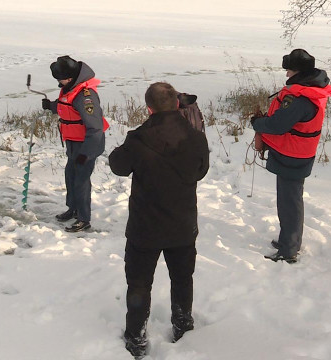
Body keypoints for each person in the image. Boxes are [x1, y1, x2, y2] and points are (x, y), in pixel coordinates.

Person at [109, 82, 209, 358]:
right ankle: (182, 323)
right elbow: (201, 171)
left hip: (146, 227)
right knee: (182, 278)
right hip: (182, 223)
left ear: (149, 108)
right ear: (177, 104)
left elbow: (118, 165)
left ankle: (136, 337)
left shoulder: (138, 139)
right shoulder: (196, 136)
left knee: (139, 283)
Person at [251, 49, 331, 263]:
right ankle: (290, 241)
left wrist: (256, 123)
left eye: (288, 70)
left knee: (289, 202)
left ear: (297, 71)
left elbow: (277, 125)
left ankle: (288, 250)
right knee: (291, 199)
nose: (286, 75)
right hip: (299, 152)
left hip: (292, 155)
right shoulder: (312, 89)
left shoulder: (301, 98)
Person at [42, 55, 109, 232]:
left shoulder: (86, 96)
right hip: (73, 142)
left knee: (81, 180)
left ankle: (83, 218)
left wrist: (85, 154)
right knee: (70, 175)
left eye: (60, 79)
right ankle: (73, 209)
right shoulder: (71, 89)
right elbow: (67, 107)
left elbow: (95, 128)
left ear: (69, 78)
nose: (59, 82)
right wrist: (51, 106)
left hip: (86, 145)